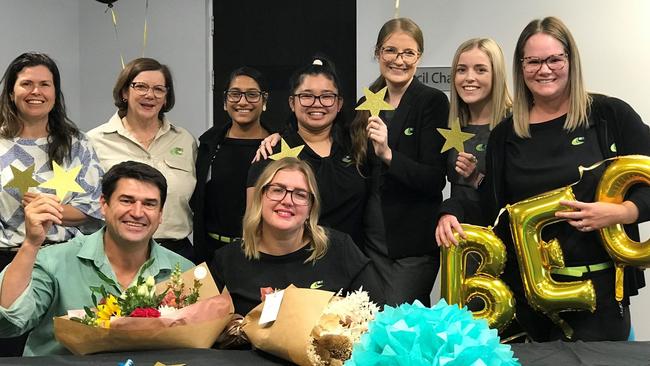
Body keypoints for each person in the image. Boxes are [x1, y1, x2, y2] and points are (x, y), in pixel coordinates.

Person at [436, 16, 649, 341]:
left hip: (599, 297)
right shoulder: (506, 135)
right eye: (533, 61)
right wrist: (451, 211)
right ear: (521, 68)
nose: (544, 69)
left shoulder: (608, 116)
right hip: (530, 301)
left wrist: (624, 212)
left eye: (553, 59)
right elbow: (493, 210)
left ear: (570, 61)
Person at [0, 161, 195, 356]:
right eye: (126, 200)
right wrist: (31, 244)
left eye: (149, 204)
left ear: (160, 214)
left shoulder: (184, 271)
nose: (137, 213)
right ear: (104, 205)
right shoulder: (53, 261)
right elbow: (9, 323)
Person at [0, 53, 103, 356]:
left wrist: (44, 212)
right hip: (8, 262)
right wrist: (39, 217)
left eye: (45, 84)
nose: (36, 92)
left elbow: (94, 209)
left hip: (65, 265)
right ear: (11, 92)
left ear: (56, 94)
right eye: (27, 84)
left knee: (61, 352)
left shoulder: (78, 143)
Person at [348, 18, 449, 306]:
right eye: (391, 51)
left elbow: (433, 180)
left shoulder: (431, 102)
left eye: (408, 53)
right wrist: (280, 136)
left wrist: (388, 154)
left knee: (399, 326)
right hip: (369, 245)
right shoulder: (366, 102)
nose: (399, 60)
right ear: (378, 53)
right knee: (370, 327)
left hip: (411, 249)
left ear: (419, 56)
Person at [211, 157, 384, 315]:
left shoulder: (340, 250)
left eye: (300, 194)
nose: (287, 201)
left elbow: (378, 313)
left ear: (311, 208)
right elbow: (199, 323)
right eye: (278, 190)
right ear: (260, 198)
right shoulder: (228, 259)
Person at [248, 57, 369, 249]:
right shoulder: (272, 153)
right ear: (292, 103)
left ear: (338, 104)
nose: (317, 103)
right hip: (295, 267)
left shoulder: (358, 146)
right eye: (306, 95)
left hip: (351, 264)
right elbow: (254, 224)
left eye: (327, 96)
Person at [88, 58, 197, 260]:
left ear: (166, 97)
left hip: (176, 253)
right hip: (114, 254)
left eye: (159, 89)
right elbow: (84, 204)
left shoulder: (185, 141)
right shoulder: (94, 141)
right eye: (141, 87)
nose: (150, 95)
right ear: (124, 92)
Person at [193, 67, 271, 264]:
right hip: (212, 254)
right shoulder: (208, 145)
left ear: (264, 101)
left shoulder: (277, 149)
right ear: (225, 101)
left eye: (252, 95)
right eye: (235, 94)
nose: (243, 101)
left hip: (262, 254)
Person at [446, 38, 512, 201]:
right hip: (459, 224)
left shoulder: (515, 125)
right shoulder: (451, 125)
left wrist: (477, 178)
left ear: (496, 74)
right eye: (461, 70)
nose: (469, 77)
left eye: (480, 70)